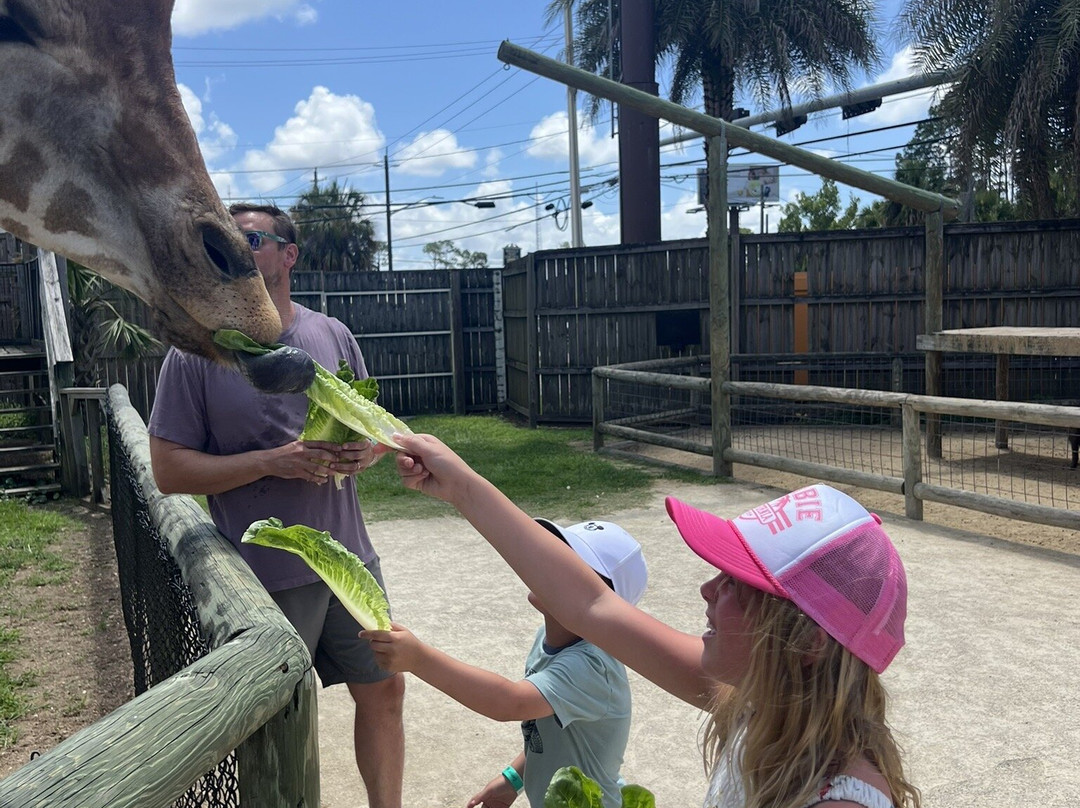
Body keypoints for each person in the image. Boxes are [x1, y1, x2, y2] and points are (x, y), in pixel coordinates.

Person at [381, 432, 920, 808]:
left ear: (806, 640)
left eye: (737, 584)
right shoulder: (762, 702)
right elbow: (590, 605)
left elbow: (588, 608)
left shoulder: (837, 797)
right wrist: (459, 486)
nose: (708, 590)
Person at [147, 203, 405, 808]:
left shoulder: (331, 334)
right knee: (281, 726)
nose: (238, 250)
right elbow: (167, 469)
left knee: (386, 692)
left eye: (252, 239)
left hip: (351, 563)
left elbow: (373, 432)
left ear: (288, 255)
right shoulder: (196, 355)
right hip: (265, 580)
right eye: (225, 243)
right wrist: (270, 461)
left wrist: (363, 453)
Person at [363, 518, 648, 808]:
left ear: (602, 601)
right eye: (553, 554)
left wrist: (419, 659)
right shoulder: (549, 638)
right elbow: (551, 732)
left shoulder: (591, 666)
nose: (547, 565)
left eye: (568, 566)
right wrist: (513, 779)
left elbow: (509, 702)